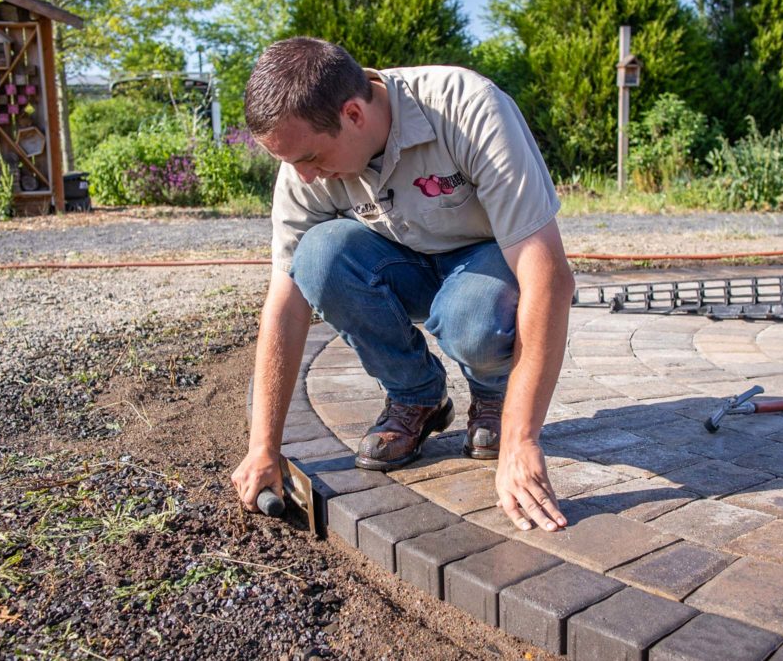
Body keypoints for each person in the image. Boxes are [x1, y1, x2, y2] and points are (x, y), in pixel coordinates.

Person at [231, 37, 573, 533]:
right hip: (404, 263)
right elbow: (284, 301)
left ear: (353, 114)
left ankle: (494, 398)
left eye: (309, 158)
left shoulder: (466, 107)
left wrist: (522, 439)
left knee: (471, 317)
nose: (303, 178)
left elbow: (549, 276)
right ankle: (417, 397)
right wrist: (263, 446)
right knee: (319, 257)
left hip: (485, 260)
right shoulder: (301, 166)